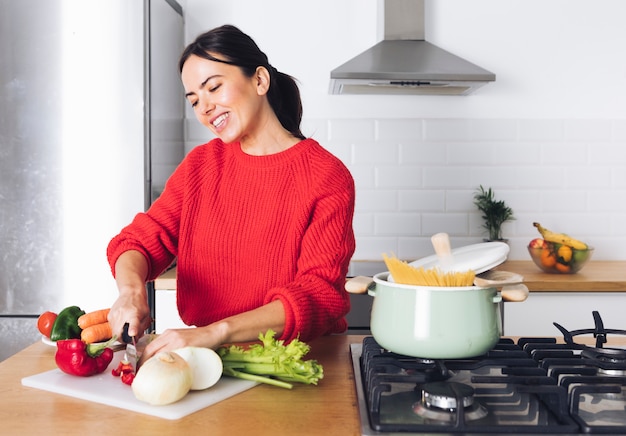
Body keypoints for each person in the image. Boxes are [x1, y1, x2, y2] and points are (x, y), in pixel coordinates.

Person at [106, 24, 355, 363]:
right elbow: (138, 241)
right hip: (211, 360)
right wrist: (131, 291)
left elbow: (320, 294)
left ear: (259, 80)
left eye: (214, 87)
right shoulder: (201, 166)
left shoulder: (325, 175)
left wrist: (216, 331)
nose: (204, 107)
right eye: (195, 100)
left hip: (294, 363)